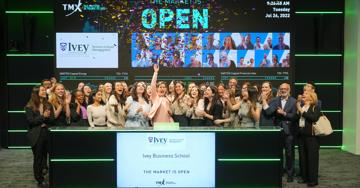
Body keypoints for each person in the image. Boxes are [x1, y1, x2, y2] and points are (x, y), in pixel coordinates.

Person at [25, 86, 55, 185]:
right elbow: (31, 121)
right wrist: (43, 117)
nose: (44, 92)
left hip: (47, 132)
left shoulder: (48, 104)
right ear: (36, 93)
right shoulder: (29, 106)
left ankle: (48, 174)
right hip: (36, 134)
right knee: (38, 157)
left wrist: (46, 119)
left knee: (47, 156)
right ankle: (39, 179)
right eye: (42, 90)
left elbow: (52, 120)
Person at [295, 91, 321, 187]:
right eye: (303, 94)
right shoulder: (301, 106)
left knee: (312, 159)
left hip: (312, 137)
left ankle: (313, 180)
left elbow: (313, 118)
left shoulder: (316, 107)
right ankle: (304, 178)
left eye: (305, 94)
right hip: (301, 136)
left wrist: (301, 111)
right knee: (303, 158)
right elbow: (295, 118)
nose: (303, 95)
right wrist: (298, 111)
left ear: (311, 97)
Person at [273, 83, 297, 182]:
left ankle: (290, 174)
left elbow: (295, 116)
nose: (283, 90)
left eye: (285, 89)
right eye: (281, 88)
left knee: (289, 154)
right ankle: (280, 172)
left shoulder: (294, 101)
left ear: (289, 90)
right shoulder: (275, 100)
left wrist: (284, 113)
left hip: (289, 131)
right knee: (278, 153)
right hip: (277, 130)